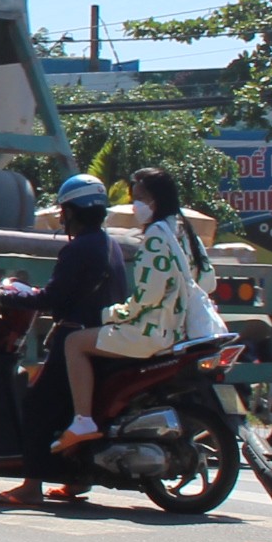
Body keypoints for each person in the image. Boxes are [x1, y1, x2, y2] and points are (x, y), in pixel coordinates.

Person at [54, 164, 220, 449]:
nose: (135, 204)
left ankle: (83, 420)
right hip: (181, 333)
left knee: (74, 343)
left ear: (154, 200)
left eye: (139, 197)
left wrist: (113, 314)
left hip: (151, 332)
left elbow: (147, 297)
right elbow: (208, 280)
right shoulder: (184, 229)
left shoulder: (156, 236)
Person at [0, 175, 122, 509]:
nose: (61, 218)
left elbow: (51, 299)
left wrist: (5, 298)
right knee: (65, 407)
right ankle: (74, 479)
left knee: (36, 406)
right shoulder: (110, 244)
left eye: (64, 211)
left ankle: (30, 486)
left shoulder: (77, 248)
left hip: (76, 335)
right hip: (105, 335)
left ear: (73, 211)